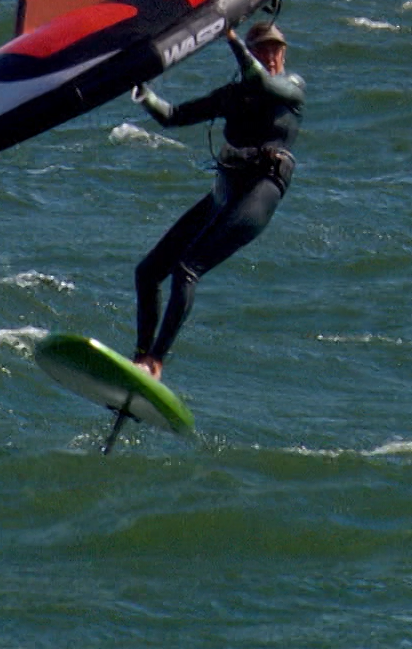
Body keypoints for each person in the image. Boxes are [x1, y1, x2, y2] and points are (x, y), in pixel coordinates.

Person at [128, 20, 304, 380]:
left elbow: (261, 81)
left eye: (276, 49)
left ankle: (157, 362)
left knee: (187, 268)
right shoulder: (232, 95)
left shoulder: (291, 88)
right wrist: (140, 91)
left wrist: (230, 37)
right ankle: (140, 357)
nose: (271, 56)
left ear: (283, 54)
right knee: (147, 272)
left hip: (260, 190)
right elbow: (173, 116)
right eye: (263, 49)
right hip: (223, 195)